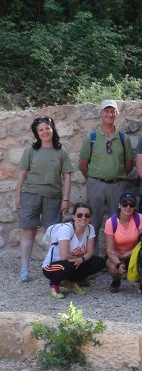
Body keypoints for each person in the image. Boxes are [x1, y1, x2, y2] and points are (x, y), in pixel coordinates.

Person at [15, 116, 74, 282]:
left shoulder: (61, 152)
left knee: (54, 235)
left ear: (52, 128)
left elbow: (67, 178)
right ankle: (24, 269)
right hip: (30, 195)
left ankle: (53, 268)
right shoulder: (30, 150)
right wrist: (18, 196)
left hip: (53, 197)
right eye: (40, 130)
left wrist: (65, 199)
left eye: (47, 128)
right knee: (28, 232)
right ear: (37, 133)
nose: (45, 132)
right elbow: (22, 175)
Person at [78, 100, 134, 256]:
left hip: (117, 185)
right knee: (92, 222)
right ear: (101, 113)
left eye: (112, 111)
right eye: (106, 111)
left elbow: (129, 164)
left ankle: (114, 259)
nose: (109, 114)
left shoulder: (123, 138)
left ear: (117, 114)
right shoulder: (91, 137)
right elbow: (83, 164)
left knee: (116, 223)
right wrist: (93, 179)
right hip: (96, 184)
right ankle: (92, 258)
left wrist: (116, 175)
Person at [42, 203, 106, 299]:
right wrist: (80, 258)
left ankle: (71, 281)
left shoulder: (90, 229)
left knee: (99, 262)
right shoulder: (66, 229)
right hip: (51, 266)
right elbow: (64, 256)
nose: (83, 218)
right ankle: (54, 284)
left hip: (73, 262)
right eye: (79, 215)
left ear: (90, 218)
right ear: (73, 217)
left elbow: (90, 252)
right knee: (70, 265)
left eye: (87, 215)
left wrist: (81, 259)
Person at [104, 193, 142, 294]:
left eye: (131, 205)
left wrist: (129, 253)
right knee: (113, 268)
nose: (128, 207)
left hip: (134, 254)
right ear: (119, 205)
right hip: (117, 255)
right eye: (124, 204)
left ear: (134, 207)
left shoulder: (139, 218)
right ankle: (116, 281)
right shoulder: (111, 222)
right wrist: (118, 263)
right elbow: (109, 250)